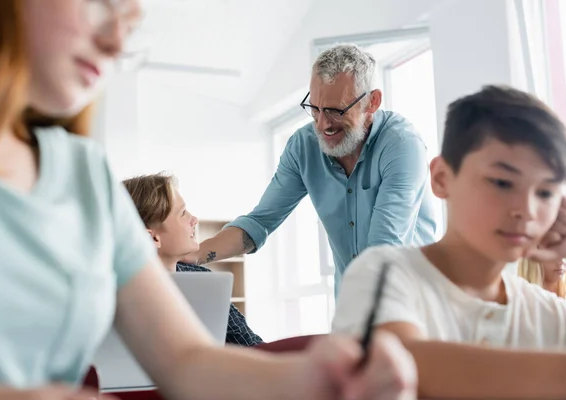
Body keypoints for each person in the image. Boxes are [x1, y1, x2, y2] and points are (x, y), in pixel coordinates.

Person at [0, 1, 419, 399]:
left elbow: (186, 360)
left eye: (129, 21)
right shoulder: (302, 149)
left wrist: (312, 378)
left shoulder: (85, 175)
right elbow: (257, 223)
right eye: (100, 5)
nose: (115, 42)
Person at [332, 85, 566, 399]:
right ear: (441, 179)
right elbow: (404, 370)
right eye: (502, 183)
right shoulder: (382, 272)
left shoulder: (555, 317)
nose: (526, 211)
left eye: (545, 192)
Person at [183, 43, 437, 295]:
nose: (323, 124)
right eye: (315, 108)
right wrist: (193, 256)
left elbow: (384, 250)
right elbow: (259, 222)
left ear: (372, 102)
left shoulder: (402, 145)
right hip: (355, 309)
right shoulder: (303, 146)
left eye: (336, 111)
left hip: (415, 306)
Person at [123, 173, 264, 347]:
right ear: (152, 239)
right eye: (182, 213)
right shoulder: (115, 293)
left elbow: (251, 345)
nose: (194, 220)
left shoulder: (204, 280)